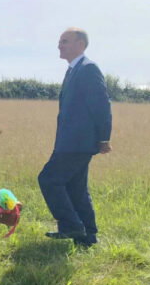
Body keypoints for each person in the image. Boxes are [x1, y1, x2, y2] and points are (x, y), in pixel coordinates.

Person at [39, 28, 112, 247]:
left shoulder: (88, 69)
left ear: (80, 44)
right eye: (60, 41)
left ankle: (70, 225)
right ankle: (87, 237)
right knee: (77, 189)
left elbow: (102, 105)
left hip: (77, 142)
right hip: (70, 141)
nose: (59, 45)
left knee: (49, 179)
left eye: (65, 41)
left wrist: (104, 138)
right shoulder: (74, 70)